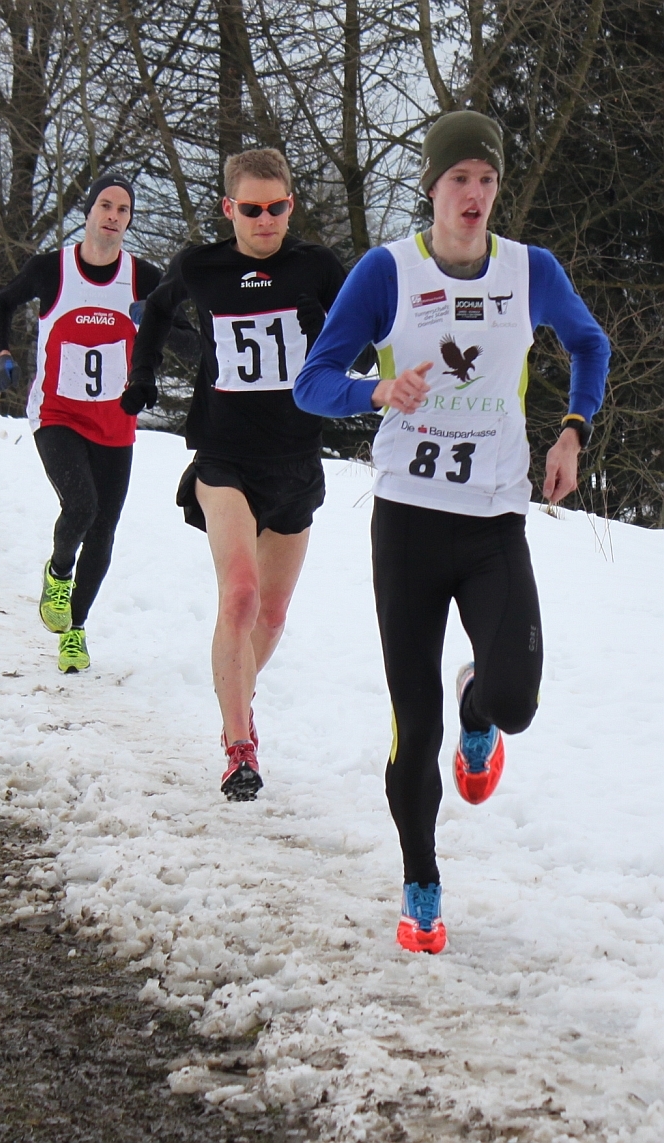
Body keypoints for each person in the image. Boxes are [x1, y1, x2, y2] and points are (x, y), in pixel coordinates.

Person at [294, 111, 610, 953]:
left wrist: (573, 428)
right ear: (431, 187)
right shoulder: (385, 272)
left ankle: (482, 700)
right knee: (413, 719)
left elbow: (589, 342)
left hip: (494, 519)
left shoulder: (529, 270)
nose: (475, 196)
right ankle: (421, 878)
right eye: (460, 179)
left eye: (488, 181)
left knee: (515, 701)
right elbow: (312, 382)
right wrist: (375, 394)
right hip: (408, 524)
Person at [124, 147, 369, 801]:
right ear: (230, 209)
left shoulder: (315, 266)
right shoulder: (201, 266)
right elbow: (154, 312)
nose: (266, 221)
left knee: (275, 609)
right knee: (240, 596)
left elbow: (369, 330)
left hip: (296, 461)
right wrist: (144, 375)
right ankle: (239, 746)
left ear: (291, 204)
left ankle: (237, 690)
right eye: (253, 209)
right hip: (223, 461)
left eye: (278, 208)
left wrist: (343, 346)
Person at [0, 173, 194, 673]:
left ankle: (74, 631)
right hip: (56, 412)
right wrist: (1, 353)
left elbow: (190, 342)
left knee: (104, 530)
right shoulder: (52, 269)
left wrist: (155, 323)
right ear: (89, 211)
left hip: (116, 420)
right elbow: (2, 302)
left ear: (129, 220)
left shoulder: (142, 277)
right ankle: (58, 572)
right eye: (106, 205)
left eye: (123, 210)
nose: (113, 217)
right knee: (81, 504)